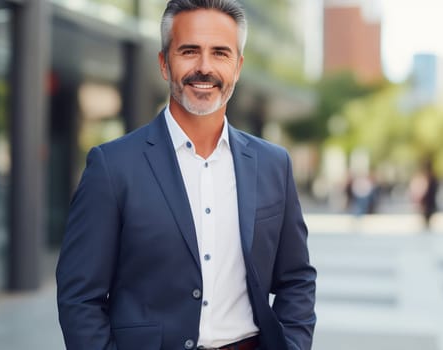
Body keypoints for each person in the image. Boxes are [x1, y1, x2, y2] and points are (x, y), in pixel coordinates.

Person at [56, 1, 317, 350]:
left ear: (237, 67)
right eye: (189, 51)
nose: (204, 67)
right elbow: (79, 297)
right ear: (165, 63)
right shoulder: (112, 166)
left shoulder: (274, 165)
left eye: (220, 53)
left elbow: (296, 279)